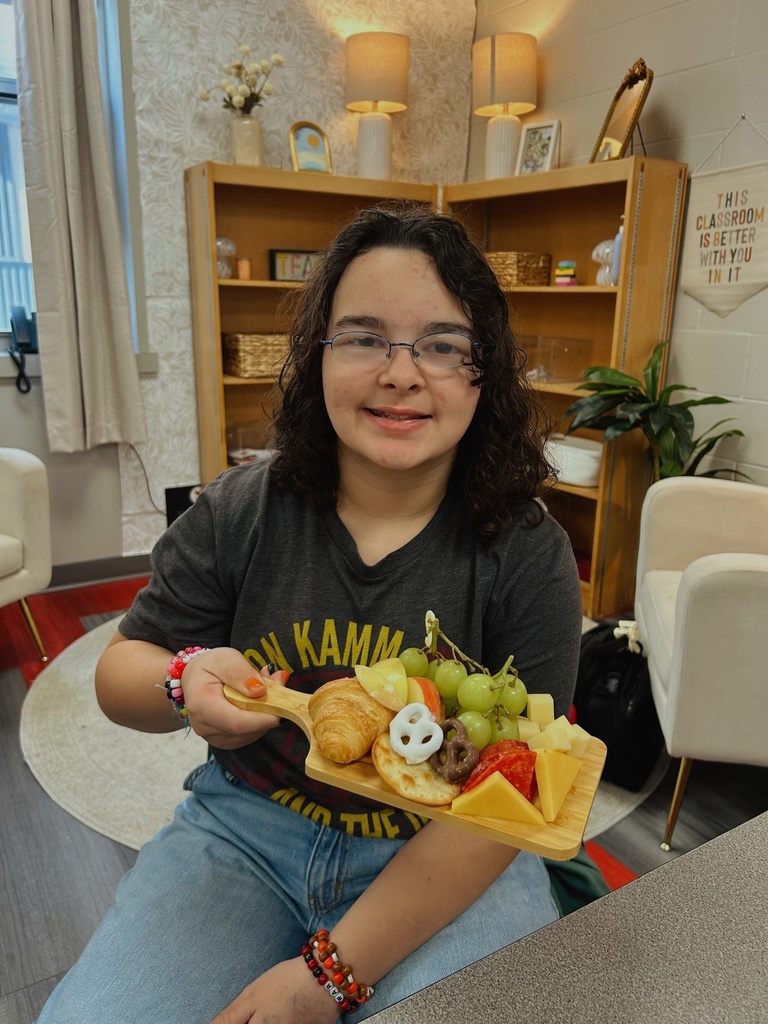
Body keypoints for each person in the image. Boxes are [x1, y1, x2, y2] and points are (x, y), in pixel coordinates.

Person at [37, 202, 584, 1024]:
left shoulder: (527, 553)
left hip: (444, 849)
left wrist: (327, 977)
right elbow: (123, 672)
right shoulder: (239, 511)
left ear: (485, 371)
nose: (402, 374)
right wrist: (185, 684)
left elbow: (510, 806)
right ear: (317, 355)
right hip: (244, 833)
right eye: (364, 337)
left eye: (442, 345)